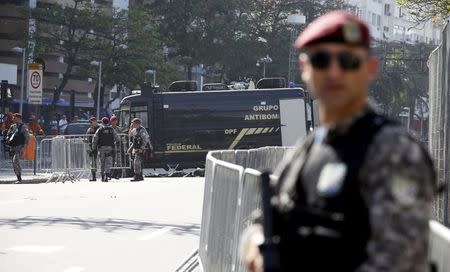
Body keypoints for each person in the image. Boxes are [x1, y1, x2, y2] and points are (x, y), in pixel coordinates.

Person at [241, 10, 436, 272]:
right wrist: (255, 245)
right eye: (321, 60)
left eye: (348, 61)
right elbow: (260, 222)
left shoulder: (393, 150)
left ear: (370, 68)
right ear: (304, 68)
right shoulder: (306, 150)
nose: (334, 72)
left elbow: (399, 259)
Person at [92, 117, 120, 182]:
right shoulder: (111, 129)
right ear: (108, 122)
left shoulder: (100, 129)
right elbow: (117, 138)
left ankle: (102, 176)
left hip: (101, 148)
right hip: (110, 148)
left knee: (102, 163)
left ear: (102, 122)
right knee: (108, 163)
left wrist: (94, 148)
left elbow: (95, 139)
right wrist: (115, 144)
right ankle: (106, 175)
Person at [6, 113, 29, 183]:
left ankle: (19, 178)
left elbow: (27, 137)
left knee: (15, 161)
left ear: (18, 118)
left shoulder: (23, 126)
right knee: (14, 163)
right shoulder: (13, 126)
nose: (13, 119)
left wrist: (24, 147)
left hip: (19, 147)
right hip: (13, 147)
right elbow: (8, 135)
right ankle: (18, 178)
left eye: (14, 117)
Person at [85, 117, 100, 181]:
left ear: (95, 121)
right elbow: (87, 138)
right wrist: (85, 140)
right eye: (90, 122)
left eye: (92, 122)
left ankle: (104, 175)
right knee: (92, 163)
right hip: (92, 147)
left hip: (99, 147)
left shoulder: (100, 128)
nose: (91, 123)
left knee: (101, 161)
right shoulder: (89, 129)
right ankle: (94, 177)